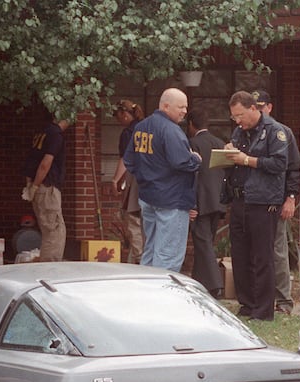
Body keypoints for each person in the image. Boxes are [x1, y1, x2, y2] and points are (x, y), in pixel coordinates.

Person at [223, 91, 288, 321]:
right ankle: (246, 305)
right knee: (240, 255)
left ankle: (263, 310)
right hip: (240, 199)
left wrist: (247, 160)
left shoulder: (274, 131)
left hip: (263, 201)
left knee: (262, 256)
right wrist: (229, 153)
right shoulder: (239, 131)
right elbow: (237, 158)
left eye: (240, 115)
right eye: (234, 117)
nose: (238, 121)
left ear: (254, 109)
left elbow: (280, 163)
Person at [123, 88, 202, 272]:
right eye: (180, 107)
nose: (184, 111)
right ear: (166, 106)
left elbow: (129, 161)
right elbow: (181, 161)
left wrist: (147, 177)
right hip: (172, 199)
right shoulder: (171, 130)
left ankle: (146, 293)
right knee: (168, 255)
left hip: (147, 197)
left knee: (150, 250)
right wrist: (196, 159)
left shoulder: (140, 127)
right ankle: (161, 296)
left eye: (186, 107)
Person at [252, 90, 300, 315]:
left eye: (262, 106)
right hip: (256, 201)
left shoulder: (282, 132)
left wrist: (290, 198)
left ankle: (283, 301)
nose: (259, 111)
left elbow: (295, 169)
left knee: (277, 250)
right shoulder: (247, 133)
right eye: (255, 107)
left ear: (269, 107)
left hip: (277, 200)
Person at [186, 110, 227, 298]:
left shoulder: (193, 144)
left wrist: (191, 204)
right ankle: (199, 281)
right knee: (207, 242)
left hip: (200, 201)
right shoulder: (219, 144)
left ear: (191, 125)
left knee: (203, 244)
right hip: (217, 200)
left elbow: (192, 175)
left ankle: (216, 285)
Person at [22, 115, 70, 261]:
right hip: (47, 188)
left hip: (37, 187)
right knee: (55, 232)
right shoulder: (55, 134)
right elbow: (45, 163)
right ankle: (50, 271)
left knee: (49, 230)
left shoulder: (41, 133)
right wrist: (36, 186)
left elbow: (30, 162)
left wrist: (30, 186)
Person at [111, 100, 145, 264]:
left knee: (133, 222)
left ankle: (139, 259)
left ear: (125, 115)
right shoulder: (147, 129)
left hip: (134, 182)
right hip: (152, 183)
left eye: (118, 117)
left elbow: (125, 159)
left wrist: (115, 180)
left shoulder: (128, 133)